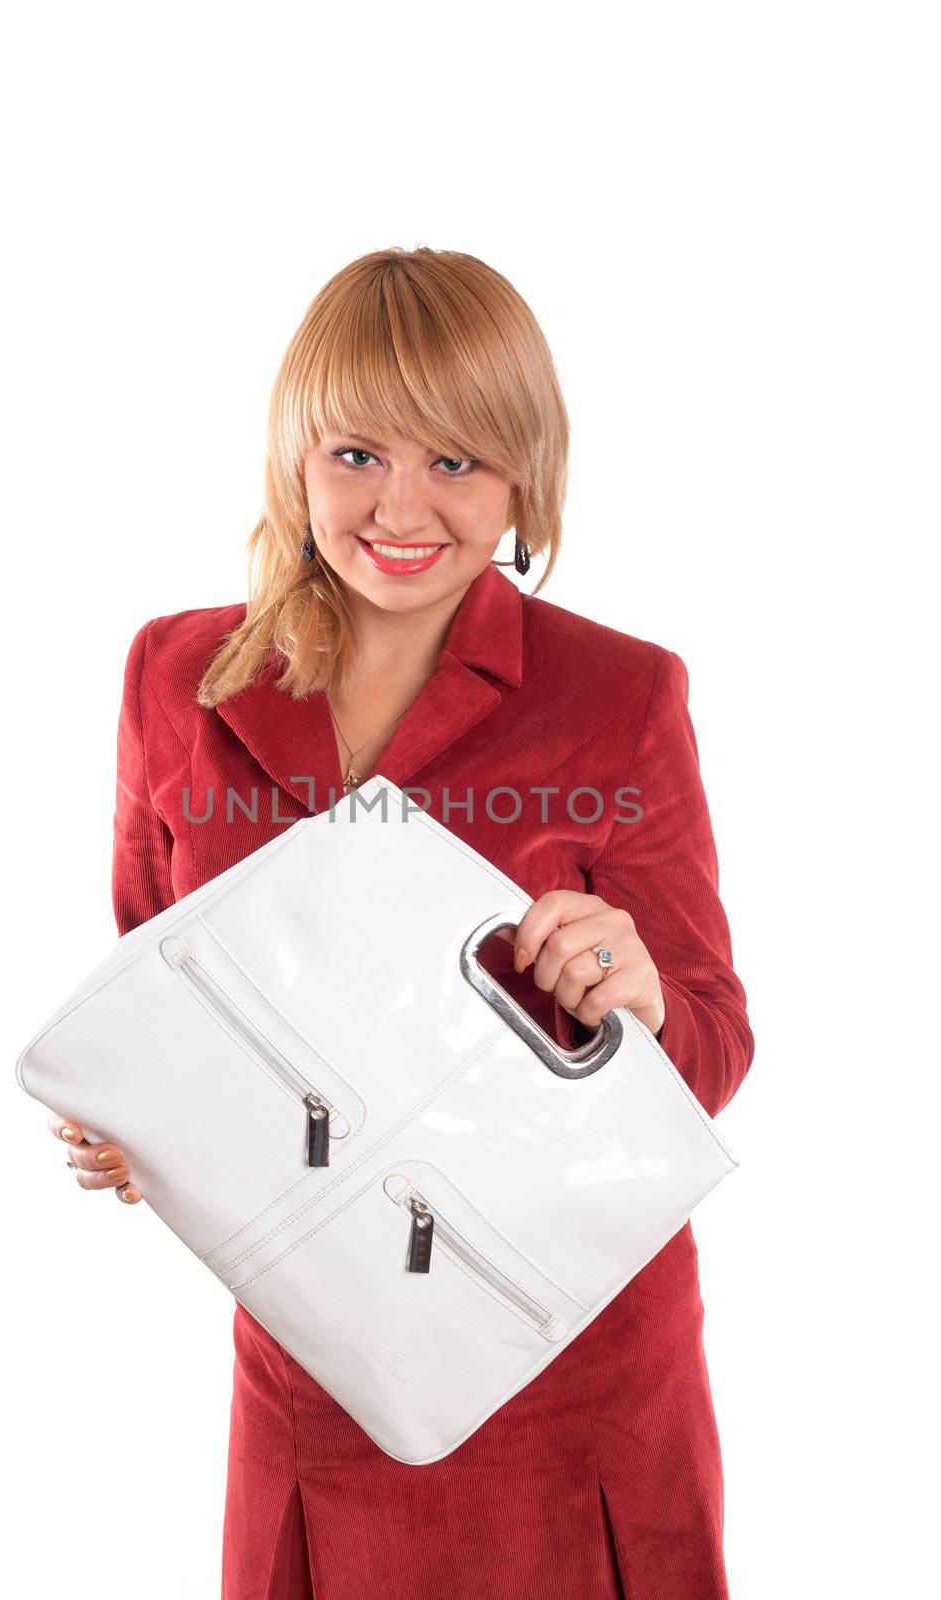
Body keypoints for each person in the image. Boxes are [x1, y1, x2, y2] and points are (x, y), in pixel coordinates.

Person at [51, 245, 754, 1599]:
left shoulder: (623, 693)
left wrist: (649, 999)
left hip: (569, 1366)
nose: (400, 508)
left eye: (457, 463)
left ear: (523, 479)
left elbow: (714, 1047)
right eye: (358, 454)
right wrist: (137, 1128)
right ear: (294, 459)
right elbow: (157, 982)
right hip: (318, 1370)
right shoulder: (175, 676)